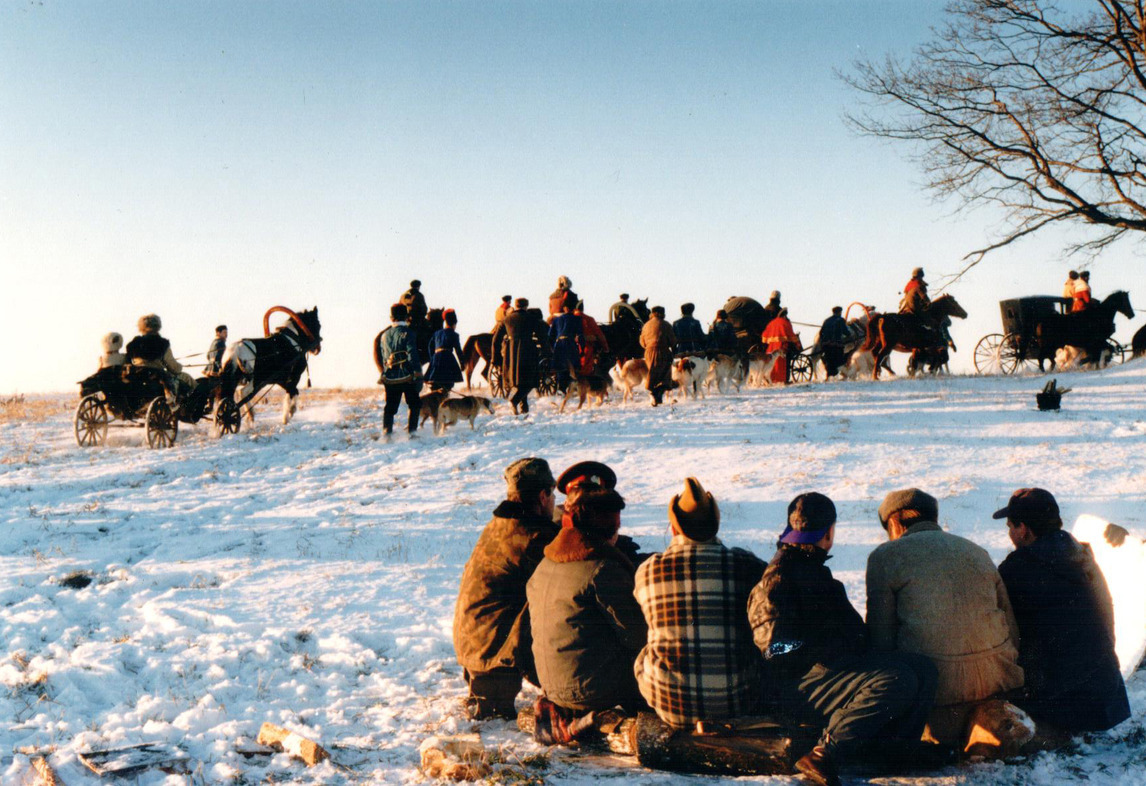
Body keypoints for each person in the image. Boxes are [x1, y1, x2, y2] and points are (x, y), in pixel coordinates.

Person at [749, 493, 939, 786]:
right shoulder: (779, 577)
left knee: (923, 668)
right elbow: (775, 650)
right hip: (798, 685)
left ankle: (897, 753)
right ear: (828, 533)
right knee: (896, 678)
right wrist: (824, 649)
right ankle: (825, 752)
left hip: (828, 674)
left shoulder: (810, 570)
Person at [866, 489, 1024, 746]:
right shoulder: (976, 551)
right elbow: (1011, 628)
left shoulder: (885, 556)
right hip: (997, 688)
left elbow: (881, 640)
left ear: (894, 522)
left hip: (935, 698)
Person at [634, 478, 767, 728]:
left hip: (671, 706)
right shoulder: (746, 564)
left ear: (674, 529)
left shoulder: (647, 571)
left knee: (645, 652)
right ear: (715, 526)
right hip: (737, 702)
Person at [994, 488, 1130, 732]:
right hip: (1109, 701)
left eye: (1010, 527)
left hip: (1063, 706)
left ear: (1023, 529)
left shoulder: (1018, 569)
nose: (1010, 534)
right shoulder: (1081, 555)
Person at [527, 479, 648, 741]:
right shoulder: (603, 570)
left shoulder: (545, 565)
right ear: (611, 528)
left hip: (553, 688)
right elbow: (638, 637)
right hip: (593, 693)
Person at [454, 458, 560, 720]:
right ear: (543, 496)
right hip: (493, 654)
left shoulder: (502, 525)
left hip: (474, 646)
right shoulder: (532, 537)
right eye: (553, 494)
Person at [492, 298, 552, 415]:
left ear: (515, 305)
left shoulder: (506, 319)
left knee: (518, 381)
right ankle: (514, 400)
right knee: (530, 380)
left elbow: (495, 340)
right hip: (527, 350)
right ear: (526, 306)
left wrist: (495, 358)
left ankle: (524, 407)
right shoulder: (532, 319)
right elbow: (542, 337)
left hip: (510, 352)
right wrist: (546, 352)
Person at [376, 303, 422, 436]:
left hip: (390, 376)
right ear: (406, 317)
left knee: (390, 407)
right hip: (407, 375)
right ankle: (412, 433)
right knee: (414, 404)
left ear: (391, 318)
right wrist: (417, 372)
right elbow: (412, 353)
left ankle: (387, 434)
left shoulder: (384, 335)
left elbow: (384, 355)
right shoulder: (409, 333)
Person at [125, 314, 196, 397]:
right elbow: (173, 368)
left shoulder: (133, 344)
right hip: (158, 378)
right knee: (186, 378)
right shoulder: (163, 343)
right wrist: (179, 366)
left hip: (138, 377)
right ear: (158, 326)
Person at [639, 306, 677, 406]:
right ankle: (659, 392)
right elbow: (672, 341)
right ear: (662, 314)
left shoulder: (646, 325)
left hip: (649, 352)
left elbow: (642, 342)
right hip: (663, 351)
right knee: (665, 374)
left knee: (652, 373)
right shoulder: (666, 324)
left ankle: (653, 392)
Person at [425, 309, 465, 393]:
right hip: (448, 359)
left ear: (445, 322)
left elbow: (430, 346)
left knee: (434, 381)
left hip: (436, 359)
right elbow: (458, 350)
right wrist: (462, 363)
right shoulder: (454, 335)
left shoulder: (437, 333)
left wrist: (433, 358)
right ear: (454, 324)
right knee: (448, 383)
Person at [549, 302, 583, 393]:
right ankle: (571, 385)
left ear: (564, 308)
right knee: (573, 365)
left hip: (559, 344)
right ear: (573, 309)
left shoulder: (557, 319)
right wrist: (582, 348)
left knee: (560, 365)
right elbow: (580, 335)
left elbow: (551, 334)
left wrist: (552, 347)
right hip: (570, 343)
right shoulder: (577, 319)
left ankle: (561, 387)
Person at [761, 307, 801, 384]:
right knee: (783, 362)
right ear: (785, 315)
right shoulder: (785, 323)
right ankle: (783, 380)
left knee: (771, 364)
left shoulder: (772, 322)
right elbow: (791, 335)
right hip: (781, 346)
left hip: (771, 347)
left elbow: (764, 336)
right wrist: (797, 343)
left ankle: (770, 379)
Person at [573, 301, 609, 379]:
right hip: (586, 347)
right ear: (582, 308)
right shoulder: (589, 319)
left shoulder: (568, 318)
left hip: (570, 347)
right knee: (586, 369)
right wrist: (605, 347)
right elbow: (599, 334)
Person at [818, 307, 850, 379]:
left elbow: (821, 332)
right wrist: (849, 335)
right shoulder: (841, 320)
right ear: (839, 312)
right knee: (840, 359)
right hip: (836, 345)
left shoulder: (827, 320)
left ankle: (828, 375)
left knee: (829, 360)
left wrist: (824, 341)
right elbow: (845, 331)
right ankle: (841, 373)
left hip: (826, 345)